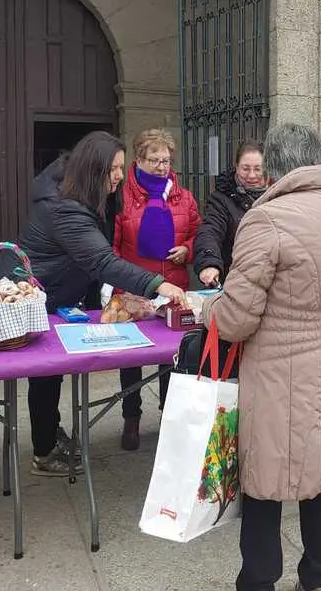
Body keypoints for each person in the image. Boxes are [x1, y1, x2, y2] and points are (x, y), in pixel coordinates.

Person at [203, 123, 321, 591]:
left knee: (266, 477)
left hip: (285, 372)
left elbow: (235, 319)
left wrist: (207, 307)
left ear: (274, 167)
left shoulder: (266, 219)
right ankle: (320, 576)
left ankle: (258, 580)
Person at [17, 131, 186, 476]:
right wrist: (159, 284)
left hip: (64, 295)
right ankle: (44, 452)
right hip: (47, 298)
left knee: (52, 375)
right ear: (94, 168)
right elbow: (102, 260)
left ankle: (49, 434)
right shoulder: (64, 208)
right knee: (46, 375)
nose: (120, 176)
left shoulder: (76, 189)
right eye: (115, 168)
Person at [114, 128, 201, 450]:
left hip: (173, 287)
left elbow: (196, 231)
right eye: (154, 160)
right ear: (139, 160)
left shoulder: (182, 195)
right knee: (131, 359)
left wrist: (187, 250)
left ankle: (168, 418)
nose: (162, 167)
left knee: (171, 359)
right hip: (133, 288)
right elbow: (110, 246)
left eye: (166, 161)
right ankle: (131, 418)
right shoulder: (120, 197)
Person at [193, 140, 267, 288]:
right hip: (236, 280)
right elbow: (210, 230)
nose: (252, 175)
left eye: (258, 169)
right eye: (245, 168)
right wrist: (209, 263)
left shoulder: (279, 195)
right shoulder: (221, 199)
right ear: (236, 167)